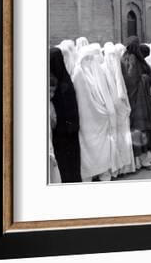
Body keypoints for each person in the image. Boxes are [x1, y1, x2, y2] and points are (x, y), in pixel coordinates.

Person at [73, 44, 117, 181]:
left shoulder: (97, 70)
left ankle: (104, 173)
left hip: (100, 119)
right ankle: (89, 175)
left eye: (90, 58)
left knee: (101, 148)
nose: (89, 61)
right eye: (86, 58)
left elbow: (104, 94)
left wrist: (104, 112)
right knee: (88, 148)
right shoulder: (78, 73)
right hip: (85, 120)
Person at [121, 36, 151, 170]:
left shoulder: (124, 58)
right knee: (141, 129)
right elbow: (131, 79)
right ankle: (144, 161)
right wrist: (145, 78)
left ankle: (141, 161)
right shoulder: (133, 59)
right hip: (138, 99)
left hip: (135, 99)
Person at [102, 42, 136, 175]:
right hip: (113, 109)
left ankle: (125, 167)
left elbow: (122, 90)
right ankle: (117, 169)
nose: (112, 59)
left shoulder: (115, 68)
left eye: (113, 56)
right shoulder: (102, 69)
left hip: (119, 110)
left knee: (122, 138)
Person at [49, 47, 81, 183]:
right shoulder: (66, 80)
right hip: (70, 131)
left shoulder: (57, 84)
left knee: (65, 165)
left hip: (61, 133)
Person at [48, 74, 62, 183]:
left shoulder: (51, 105)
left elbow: (54, 124)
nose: (51, 95)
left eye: (53, 92)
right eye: (49, 91)